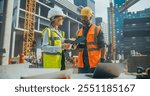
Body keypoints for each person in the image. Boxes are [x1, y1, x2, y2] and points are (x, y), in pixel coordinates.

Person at [75, 7, 106, 73]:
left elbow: (103, 46)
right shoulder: (79, 32)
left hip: (94, 65)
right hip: (82, 66)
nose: (83, 19)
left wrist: (102, 59)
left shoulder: (97, 30)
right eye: (82, 17)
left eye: (85, 17)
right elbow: (79, 48)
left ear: (90, 17)